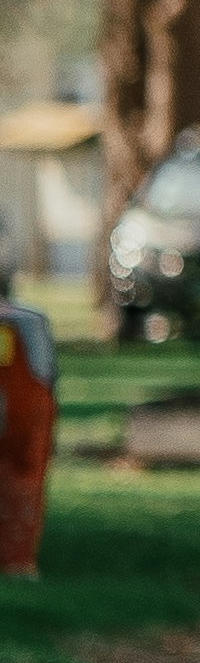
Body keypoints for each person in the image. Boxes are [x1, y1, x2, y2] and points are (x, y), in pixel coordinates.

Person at [0, 246, 52, 580]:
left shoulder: (22, 324)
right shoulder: (26, 323)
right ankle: (16, 561)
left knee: (20, 479)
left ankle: (16, 560)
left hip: (23, 418)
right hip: (24, 416)